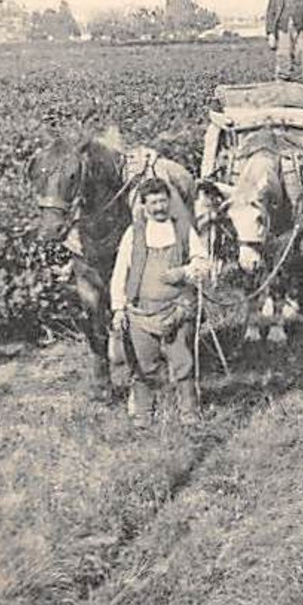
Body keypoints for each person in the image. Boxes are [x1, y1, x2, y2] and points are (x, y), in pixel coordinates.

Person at [109, 178, 213, 427]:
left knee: (183, 361)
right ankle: (144, 415)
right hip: (140, 313)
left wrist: (184, 272)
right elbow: (120, 271)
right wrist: (118, 308)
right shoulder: (133, 233)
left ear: (170, 202)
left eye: (163, 201)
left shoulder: (184, 229)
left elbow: (203, 263)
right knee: (143, 365)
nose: (159, 208)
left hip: (177, 310)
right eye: (153, 203)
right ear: (144, 206)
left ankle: (189, 412)